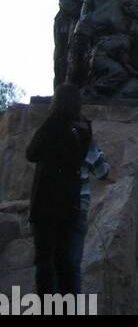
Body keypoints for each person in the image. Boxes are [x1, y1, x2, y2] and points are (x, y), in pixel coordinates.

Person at [26, 82, 92, 296]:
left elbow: (31, 153)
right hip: (69, 202)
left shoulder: (52, 126)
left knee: (45, 261)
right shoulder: (83, 129)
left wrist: (49, 120)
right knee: (64, 262)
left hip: (46, 202)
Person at [68, 133, 111, 291]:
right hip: (77, 206)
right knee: (73, 262)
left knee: (52, 260)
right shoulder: (85, 140)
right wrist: (100, 155)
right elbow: (102, 172)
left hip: (52, 206)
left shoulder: (49, 134)